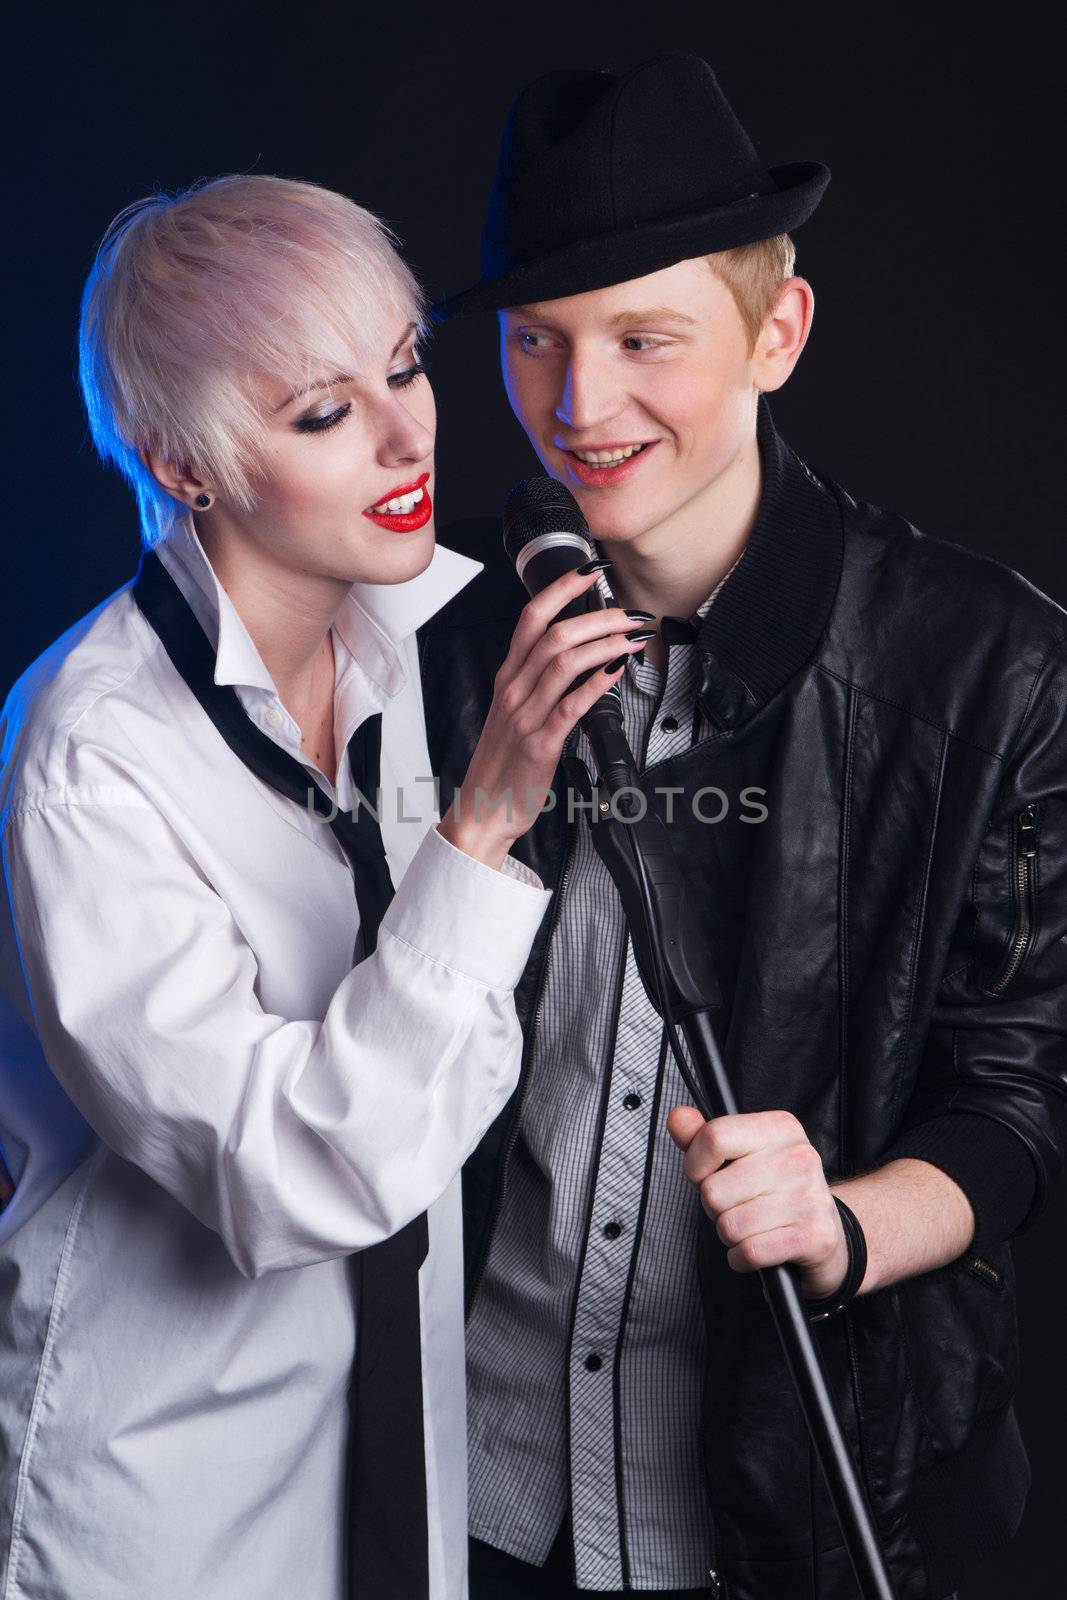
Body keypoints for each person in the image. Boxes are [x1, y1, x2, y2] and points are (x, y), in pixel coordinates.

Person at [419, 55, 1067, 1600]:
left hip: (802, 1520)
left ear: (777, 332)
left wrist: (841, 1223)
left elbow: (1021, 1097)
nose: (580, 408)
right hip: (471, 1498)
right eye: (536, 344)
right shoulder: (438, 640)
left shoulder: (994, 670)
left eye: (647, 339)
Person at [0, 173, 649, 1600]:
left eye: (407, 366)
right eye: (322, 412)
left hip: (394, 1468)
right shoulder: (87, 754)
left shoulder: (417, 640)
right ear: (185, 462)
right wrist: (481, 830)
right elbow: (283, 1173)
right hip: (164, 1495)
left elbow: (457, 1064)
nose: (409, 435)